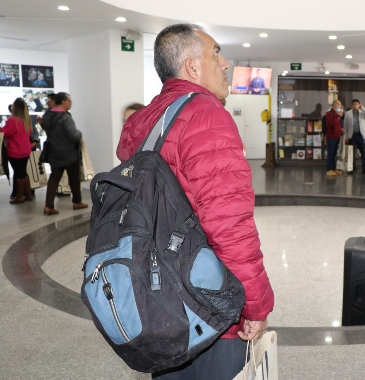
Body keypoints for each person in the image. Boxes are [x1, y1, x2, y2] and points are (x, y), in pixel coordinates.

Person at [115, 24, 274, 380]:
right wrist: (256, 303)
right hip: (208, 302)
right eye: (216, 52)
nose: (225, 62)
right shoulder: (207, 114)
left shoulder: (144, 120)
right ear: (192, 67)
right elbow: (228, 224)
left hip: (157, 299)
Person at [41, 92, 87, 215]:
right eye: (69, 101)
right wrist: (80, 133)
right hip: (68, 153)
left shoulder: (47, 115)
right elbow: (73, 136)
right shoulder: (66, 117)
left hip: (53, 152)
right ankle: (77, 202)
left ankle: (48, 206)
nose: (71, 104)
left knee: (54, 179)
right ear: (63, 102)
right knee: (74, 178)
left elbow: (47, 129)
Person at [3, 98, 34, 204]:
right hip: (25, 150)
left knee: (19, 174)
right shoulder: (26, 120)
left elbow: (6, 133)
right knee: (23, 172)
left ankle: (20, 196)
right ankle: (28, 194)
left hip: (15, 151)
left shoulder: (13, 120)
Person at [343, 99, 365, 174]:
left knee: (363, 151)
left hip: (360, 134)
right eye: (353, 104)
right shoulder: (348, 113)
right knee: (351, 152)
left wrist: (363, 108)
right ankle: (352, 168)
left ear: (359, 105)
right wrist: (346, 136)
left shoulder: (362, 112)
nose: (355, 106)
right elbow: (345, 126)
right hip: (351, 135)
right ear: (351, 105)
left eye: (356, 104)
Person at [324, 100, 344, 176]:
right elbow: (330, 123)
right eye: (339, 105)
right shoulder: (329, 114)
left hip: (337, 136)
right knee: (331, 153)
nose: (340, 106)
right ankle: (329, 169)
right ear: (335, 105)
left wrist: (341, 129)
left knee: (335, 153)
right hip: (331, 137)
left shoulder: (338, 115)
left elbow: (337, 125)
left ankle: (334, 168)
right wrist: (337, 115)